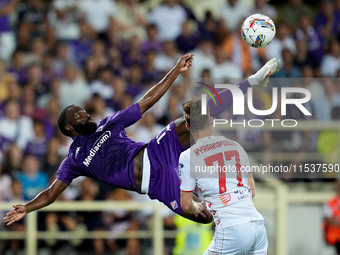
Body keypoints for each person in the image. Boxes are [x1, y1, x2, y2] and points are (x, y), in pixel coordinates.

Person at [3, 53, 280, 226]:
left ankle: (252, 81)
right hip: (156, 183)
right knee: (204, 218)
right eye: (78, 114)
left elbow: (146, 101)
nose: (84, 113)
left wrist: (175, 70)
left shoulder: (109, 124)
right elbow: (52, 193)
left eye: (83, 110)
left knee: (197, 114)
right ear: (68, 128)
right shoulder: (73, 160)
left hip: (157, 151)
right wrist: (26, 208)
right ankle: (221, 201)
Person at [179, 98, 268, 254]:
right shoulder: (236, 146)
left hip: (232, 228)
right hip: (258, 226)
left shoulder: (188, 156)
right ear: (211, 121)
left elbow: (186, 204)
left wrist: (198, 207)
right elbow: (251, 191)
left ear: (188, 126)